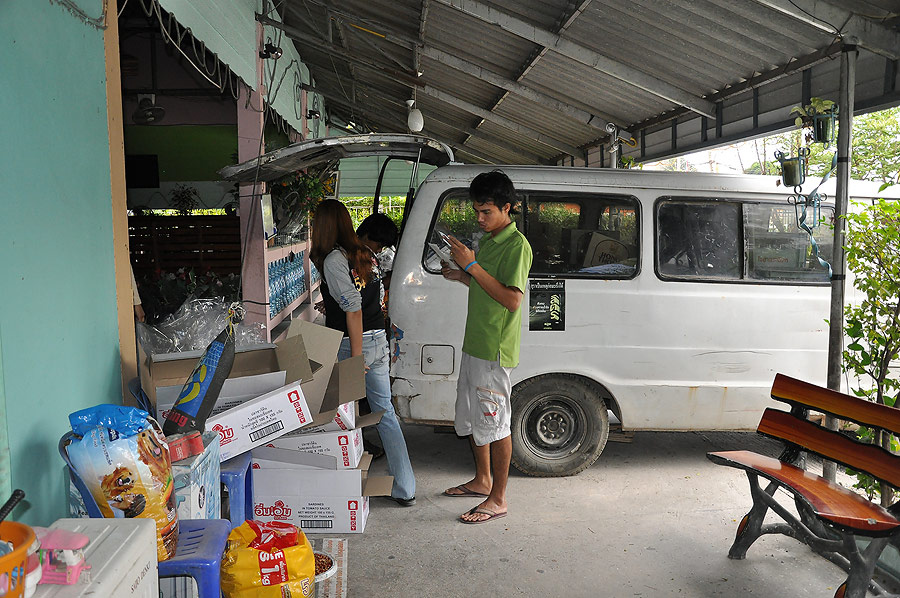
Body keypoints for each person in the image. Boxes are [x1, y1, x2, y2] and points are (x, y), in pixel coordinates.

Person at [440, 170, 533, 524]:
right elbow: (488, 287)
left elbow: (511, 300)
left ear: (507, 208)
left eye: (486, 212)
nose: (479, 219)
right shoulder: (491, 241)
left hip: (494, 350)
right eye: (476, 212)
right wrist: (462, 275)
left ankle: (499, 498)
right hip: (475, 343)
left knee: (497, 423)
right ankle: (482, 481)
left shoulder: (516, 245)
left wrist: (472, 267)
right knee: (473, 415)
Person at [310, 199, 416, 506]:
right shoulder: (364, 254)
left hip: (352, 344)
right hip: (377, 341)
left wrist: (355, 359)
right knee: (384, 414)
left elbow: (353, 308)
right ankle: (405, 486)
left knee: (342, 416)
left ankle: (343, 484)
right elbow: (370, 297)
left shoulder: (333, 259)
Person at [355, 212, 401, 460]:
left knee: (368, 400)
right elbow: (355, 305)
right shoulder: (349, 257)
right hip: (362, 336)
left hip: (370, 333)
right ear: (365, 235)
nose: (379, 250)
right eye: (378, 243)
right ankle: (358, 443)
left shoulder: (364, 256)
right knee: (361, 399)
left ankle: (361, 443)